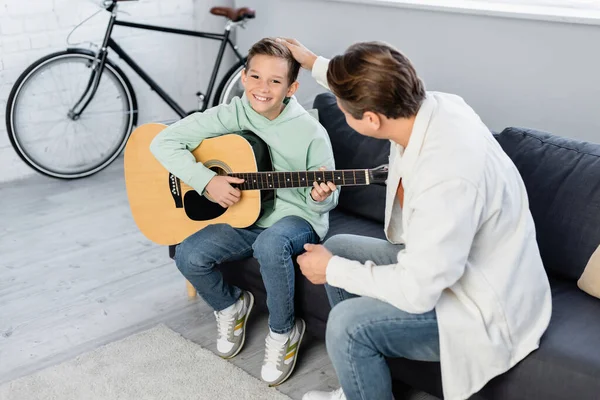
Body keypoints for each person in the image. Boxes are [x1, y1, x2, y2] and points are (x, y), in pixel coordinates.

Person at [277, 38, 553, 400]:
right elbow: (364, 83)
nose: (341, 113)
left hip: (481, 306)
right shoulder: (429, 104)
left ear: (371, 119)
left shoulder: (447, 175)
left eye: (344, 111)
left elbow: (419, 292)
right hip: (458, 267)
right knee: (340, 247)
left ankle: (356, 350)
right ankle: (361, 380)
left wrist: (330, 271)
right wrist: (312, 61)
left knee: (346, 324)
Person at [149, 37, 339, 386]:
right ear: (243, 77)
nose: (262, 88)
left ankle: (284, 331)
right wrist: (207, 181)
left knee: (271, 244)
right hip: (246, 215)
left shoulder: (311, 132)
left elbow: (327, 199)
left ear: (292, 88)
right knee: (188, 255)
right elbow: (162, 141)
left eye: (275, 81)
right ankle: (231, 305)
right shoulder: (233, 113)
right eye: (254, 77)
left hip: (297, 217)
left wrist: (318, 195)